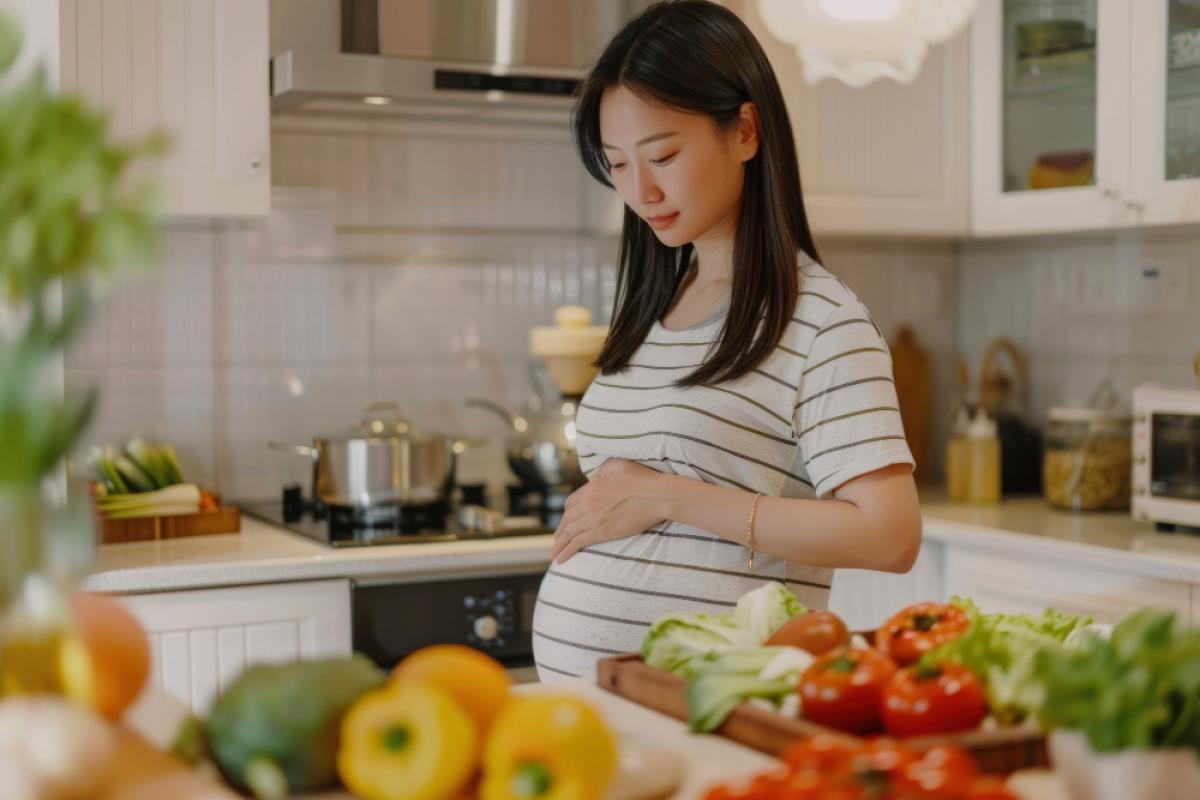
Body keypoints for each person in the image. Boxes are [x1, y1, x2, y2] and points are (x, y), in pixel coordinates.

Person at [532, 0, 922, 683]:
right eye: (617, 164)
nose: (640, 191)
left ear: (744, 130)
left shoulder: (822, 322)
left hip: (717, 709)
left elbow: (890, 535)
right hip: (596, 720)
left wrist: (669, 496)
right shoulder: (655, 309)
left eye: (663, 155)